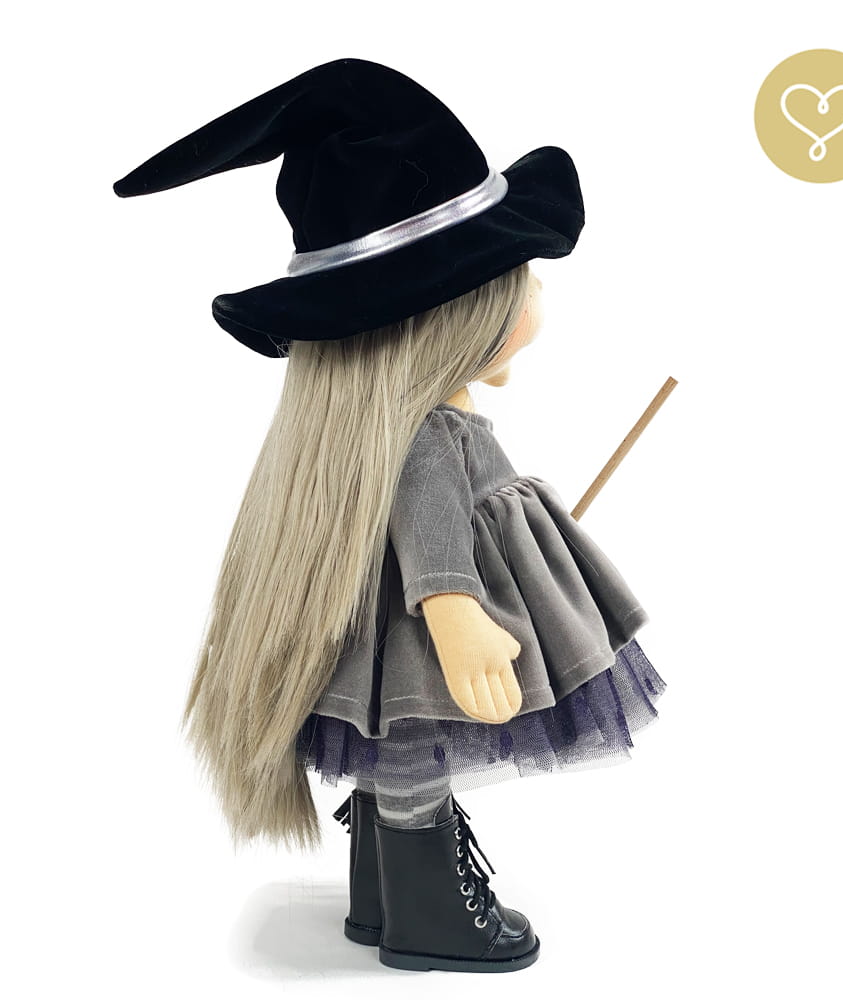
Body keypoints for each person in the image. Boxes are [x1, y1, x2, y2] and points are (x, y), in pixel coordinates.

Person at [113, 56, 666, 975]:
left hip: (394, 633)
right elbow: (431, 525)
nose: (534, 293)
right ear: (448, 313)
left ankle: (382, 896)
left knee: (394, 757)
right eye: (517, 277)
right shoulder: (425, 436)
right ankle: (431, 915)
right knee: (413, 757)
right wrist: (460, 618)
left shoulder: (402, 427)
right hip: (423, 637)